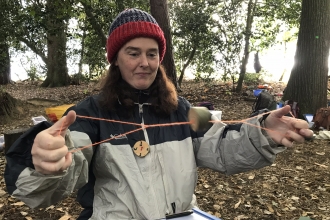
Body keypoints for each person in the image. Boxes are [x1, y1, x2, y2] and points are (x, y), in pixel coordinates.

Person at [4, 8, 313, 220]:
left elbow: (221, 142)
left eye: (152, 53)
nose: (145, 62)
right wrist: (48, 162)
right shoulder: (91, 113)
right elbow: (67, 163)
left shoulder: (183, 109)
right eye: (133, 52)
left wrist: (262, 130)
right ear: (116, 59)